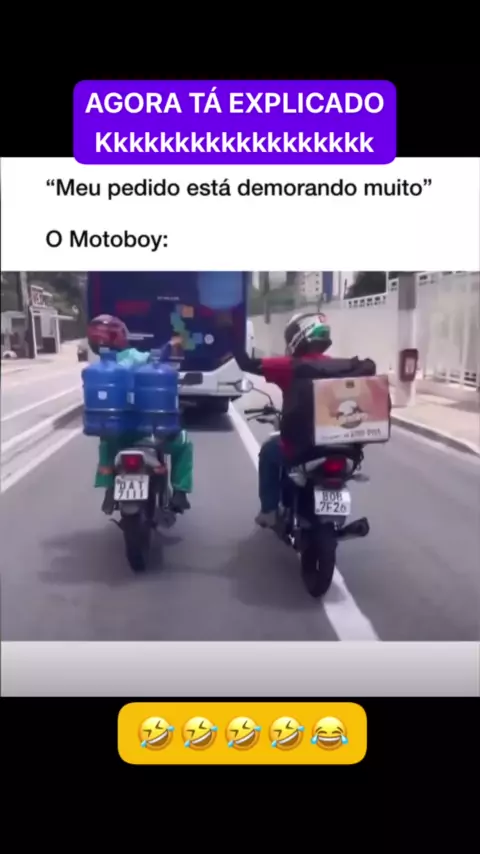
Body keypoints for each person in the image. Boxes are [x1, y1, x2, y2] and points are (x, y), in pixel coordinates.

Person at [232, 311, 334, 528]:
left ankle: (269, 510)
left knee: (269, 451)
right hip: (335, 445)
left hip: (301, 447)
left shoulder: (289, 366)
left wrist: (228, 331)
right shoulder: (338, 366)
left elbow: (246, 364)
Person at [87, 314, 193, 516]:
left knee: (106, 441)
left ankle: (109, 488)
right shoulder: (135, 356)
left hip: (118, 435)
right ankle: (180, 492)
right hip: (147, 430)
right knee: (184, 442)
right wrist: (170, 344)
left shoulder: (101, 369)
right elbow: (155, 360)